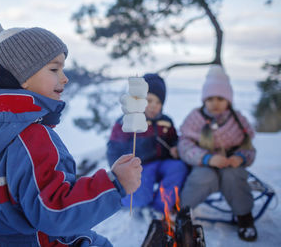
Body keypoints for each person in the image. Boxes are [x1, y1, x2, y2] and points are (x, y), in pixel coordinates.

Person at [0, 18, 142, 247]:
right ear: (22, 77)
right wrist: (115, 183)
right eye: (54, 69)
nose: (65, 78)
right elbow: (54, 211)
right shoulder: (31, 136)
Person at [178, 64, 257, 242]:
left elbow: (249, 148)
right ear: (204, 99)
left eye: (220, 98)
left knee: (235, 177)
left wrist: (241, 157)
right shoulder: (196, 118)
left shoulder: (237, 119)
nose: (215, 103)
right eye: (210, 98)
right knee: (201, 178)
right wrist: (207, 158)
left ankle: (244, 217)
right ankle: (182, 211)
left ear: (228, 99)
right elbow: (184, 145)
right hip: (204, 163)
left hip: (230, 164)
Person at [106, 73, 189, 215]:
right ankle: (120, 199)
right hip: (139, 167)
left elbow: (173, 139)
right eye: (149, 100)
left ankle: (160, 206)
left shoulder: (166, 121)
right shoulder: (127, 121)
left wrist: (175, 147)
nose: (153, 106)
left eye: (158, 103)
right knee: (140, 196)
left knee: (178, 168)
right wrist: (120, 171)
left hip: (162, 163)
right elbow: (113, 149)